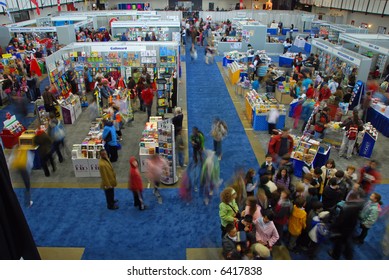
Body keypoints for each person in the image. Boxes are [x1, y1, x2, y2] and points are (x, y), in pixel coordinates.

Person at [328, 192, 364, 260]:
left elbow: (339, 221)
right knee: (346, 242)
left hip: (342, 230)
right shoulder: (358, 205)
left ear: (350, 198)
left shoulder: (347, 208)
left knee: (339, 244)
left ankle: (335, 255)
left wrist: (332, 227)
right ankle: (347, 255)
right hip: (350, 229)